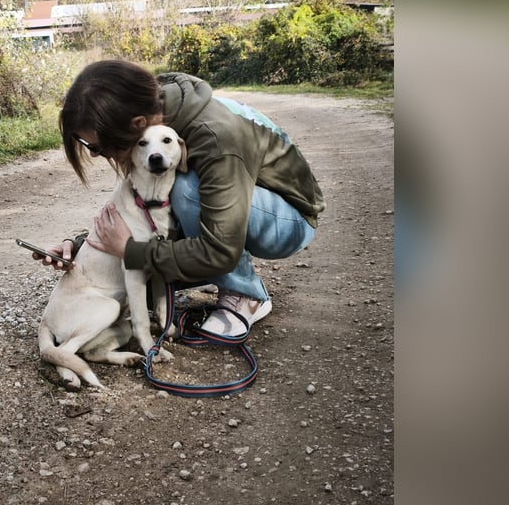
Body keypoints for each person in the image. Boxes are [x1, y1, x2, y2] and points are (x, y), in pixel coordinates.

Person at [37, 59, 325, 337]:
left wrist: (132, 250)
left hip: (289, 220)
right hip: (236, 206)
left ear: (137, 123)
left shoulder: (214, 138)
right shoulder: (149, 115)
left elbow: (220, 250)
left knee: (183, 188)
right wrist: (85, 247)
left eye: (97, 146)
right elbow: (138, 207)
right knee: (137, 287)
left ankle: (246, 294)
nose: (93, 153)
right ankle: (214, 272)